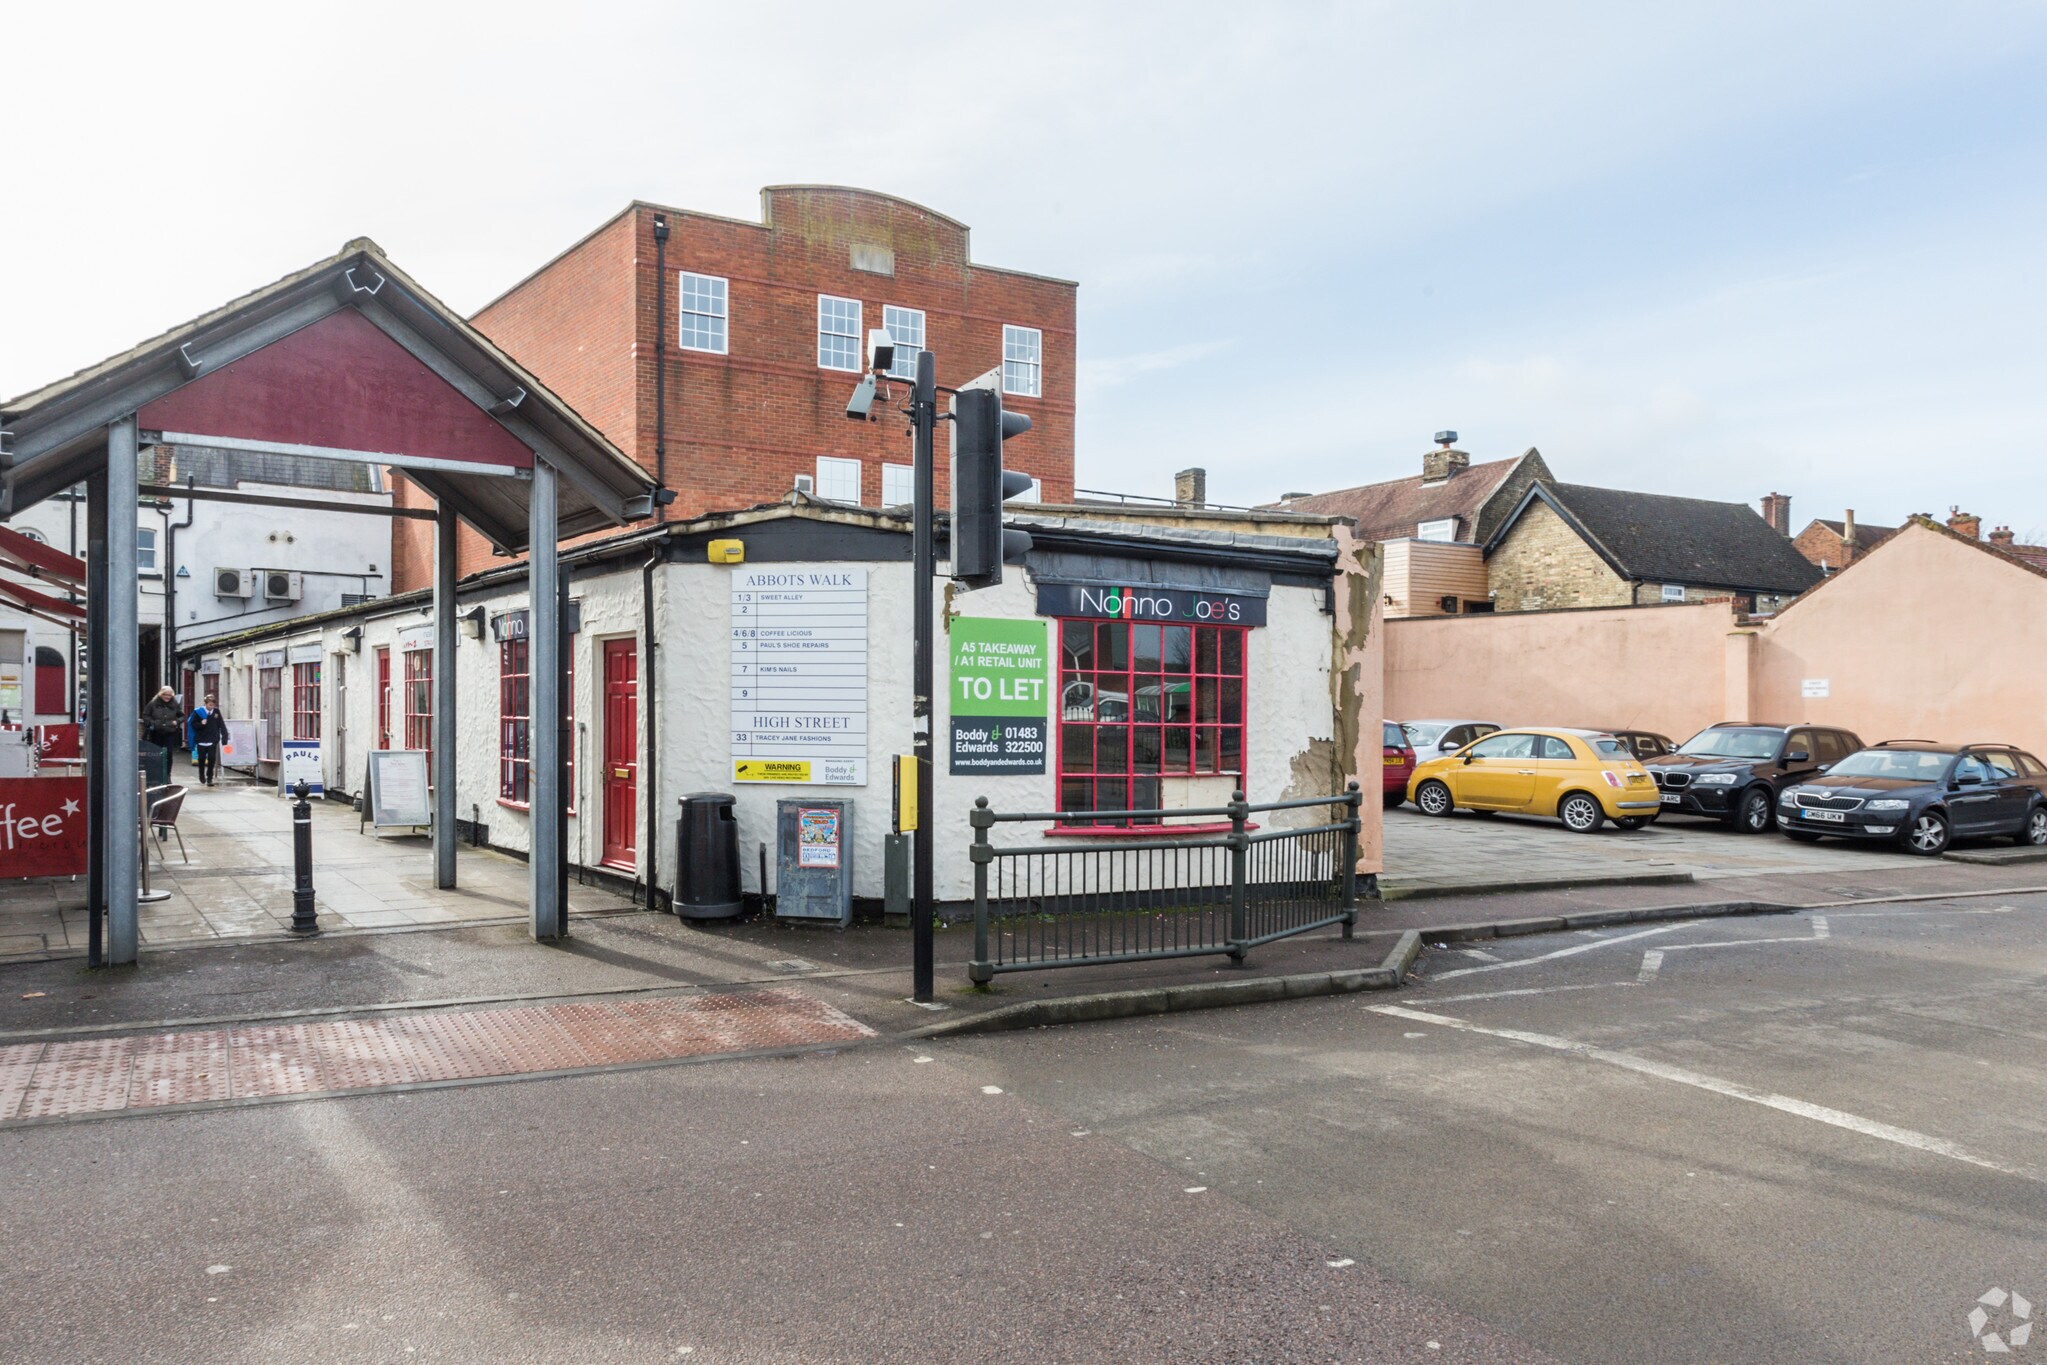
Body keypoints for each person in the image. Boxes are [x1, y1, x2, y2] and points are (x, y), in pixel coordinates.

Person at [142, 686, 184, 786]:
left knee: (168, 754)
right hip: (156, 732)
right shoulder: (153, 703)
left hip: (170, 732)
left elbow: (181, 715)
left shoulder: (174, 704)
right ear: (161, 694)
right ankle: (156, 775)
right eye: (165, 695)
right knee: (156, 754)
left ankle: (167, 776)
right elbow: (145, 715)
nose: (167, 697)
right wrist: (152, 723)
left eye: (169, 695)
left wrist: (176, 722)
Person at [189, 697, 228, 787]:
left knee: (212, 759)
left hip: (212, 739)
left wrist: (224, 737)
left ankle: (209, 778)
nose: (211, 707)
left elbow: (221, 724)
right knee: (201, 759)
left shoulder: (216, 712)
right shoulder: (198, 712)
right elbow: (193, 724)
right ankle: (201, 774)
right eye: (210, 705)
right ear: (205, 704)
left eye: (213, 705)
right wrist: (201, 724)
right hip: (201, 739)